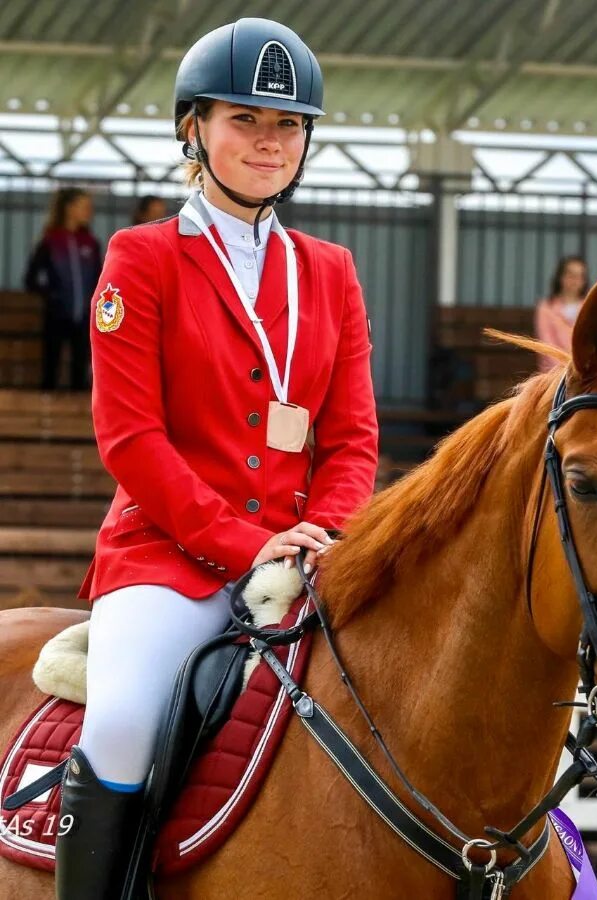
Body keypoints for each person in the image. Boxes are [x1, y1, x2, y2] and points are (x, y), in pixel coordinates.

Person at [54, 18, 379, 899]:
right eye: (246, 120)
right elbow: (130, 440)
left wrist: (325, 529)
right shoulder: (141, 258)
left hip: (304, 554)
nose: (270, 144)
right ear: (193, 128)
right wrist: (241, 544)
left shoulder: (333, 272)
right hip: (169, 556)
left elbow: (351, 439)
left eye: (289, 126)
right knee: (121, 723)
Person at [24, 187, 102, 390]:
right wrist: (52, 296)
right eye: (84, 207)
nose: (89, 211)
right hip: (56, 315)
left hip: (85, 317)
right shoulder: (50, 241)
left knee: (80, 370)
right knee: (51, 366)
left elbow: (100, 280)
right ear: (69, 208)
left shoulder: (91, 243)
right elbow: (31, 278)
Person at [534, 255, 588, 372]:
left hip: (585, 375)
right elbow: (547, 346)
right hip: (553, 375)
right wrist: (568, 372)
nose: (575, 280)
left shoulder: (590, 307)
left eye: (579, 276)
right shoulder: (546, 307)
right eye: (571, 274)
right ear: (560, 277)